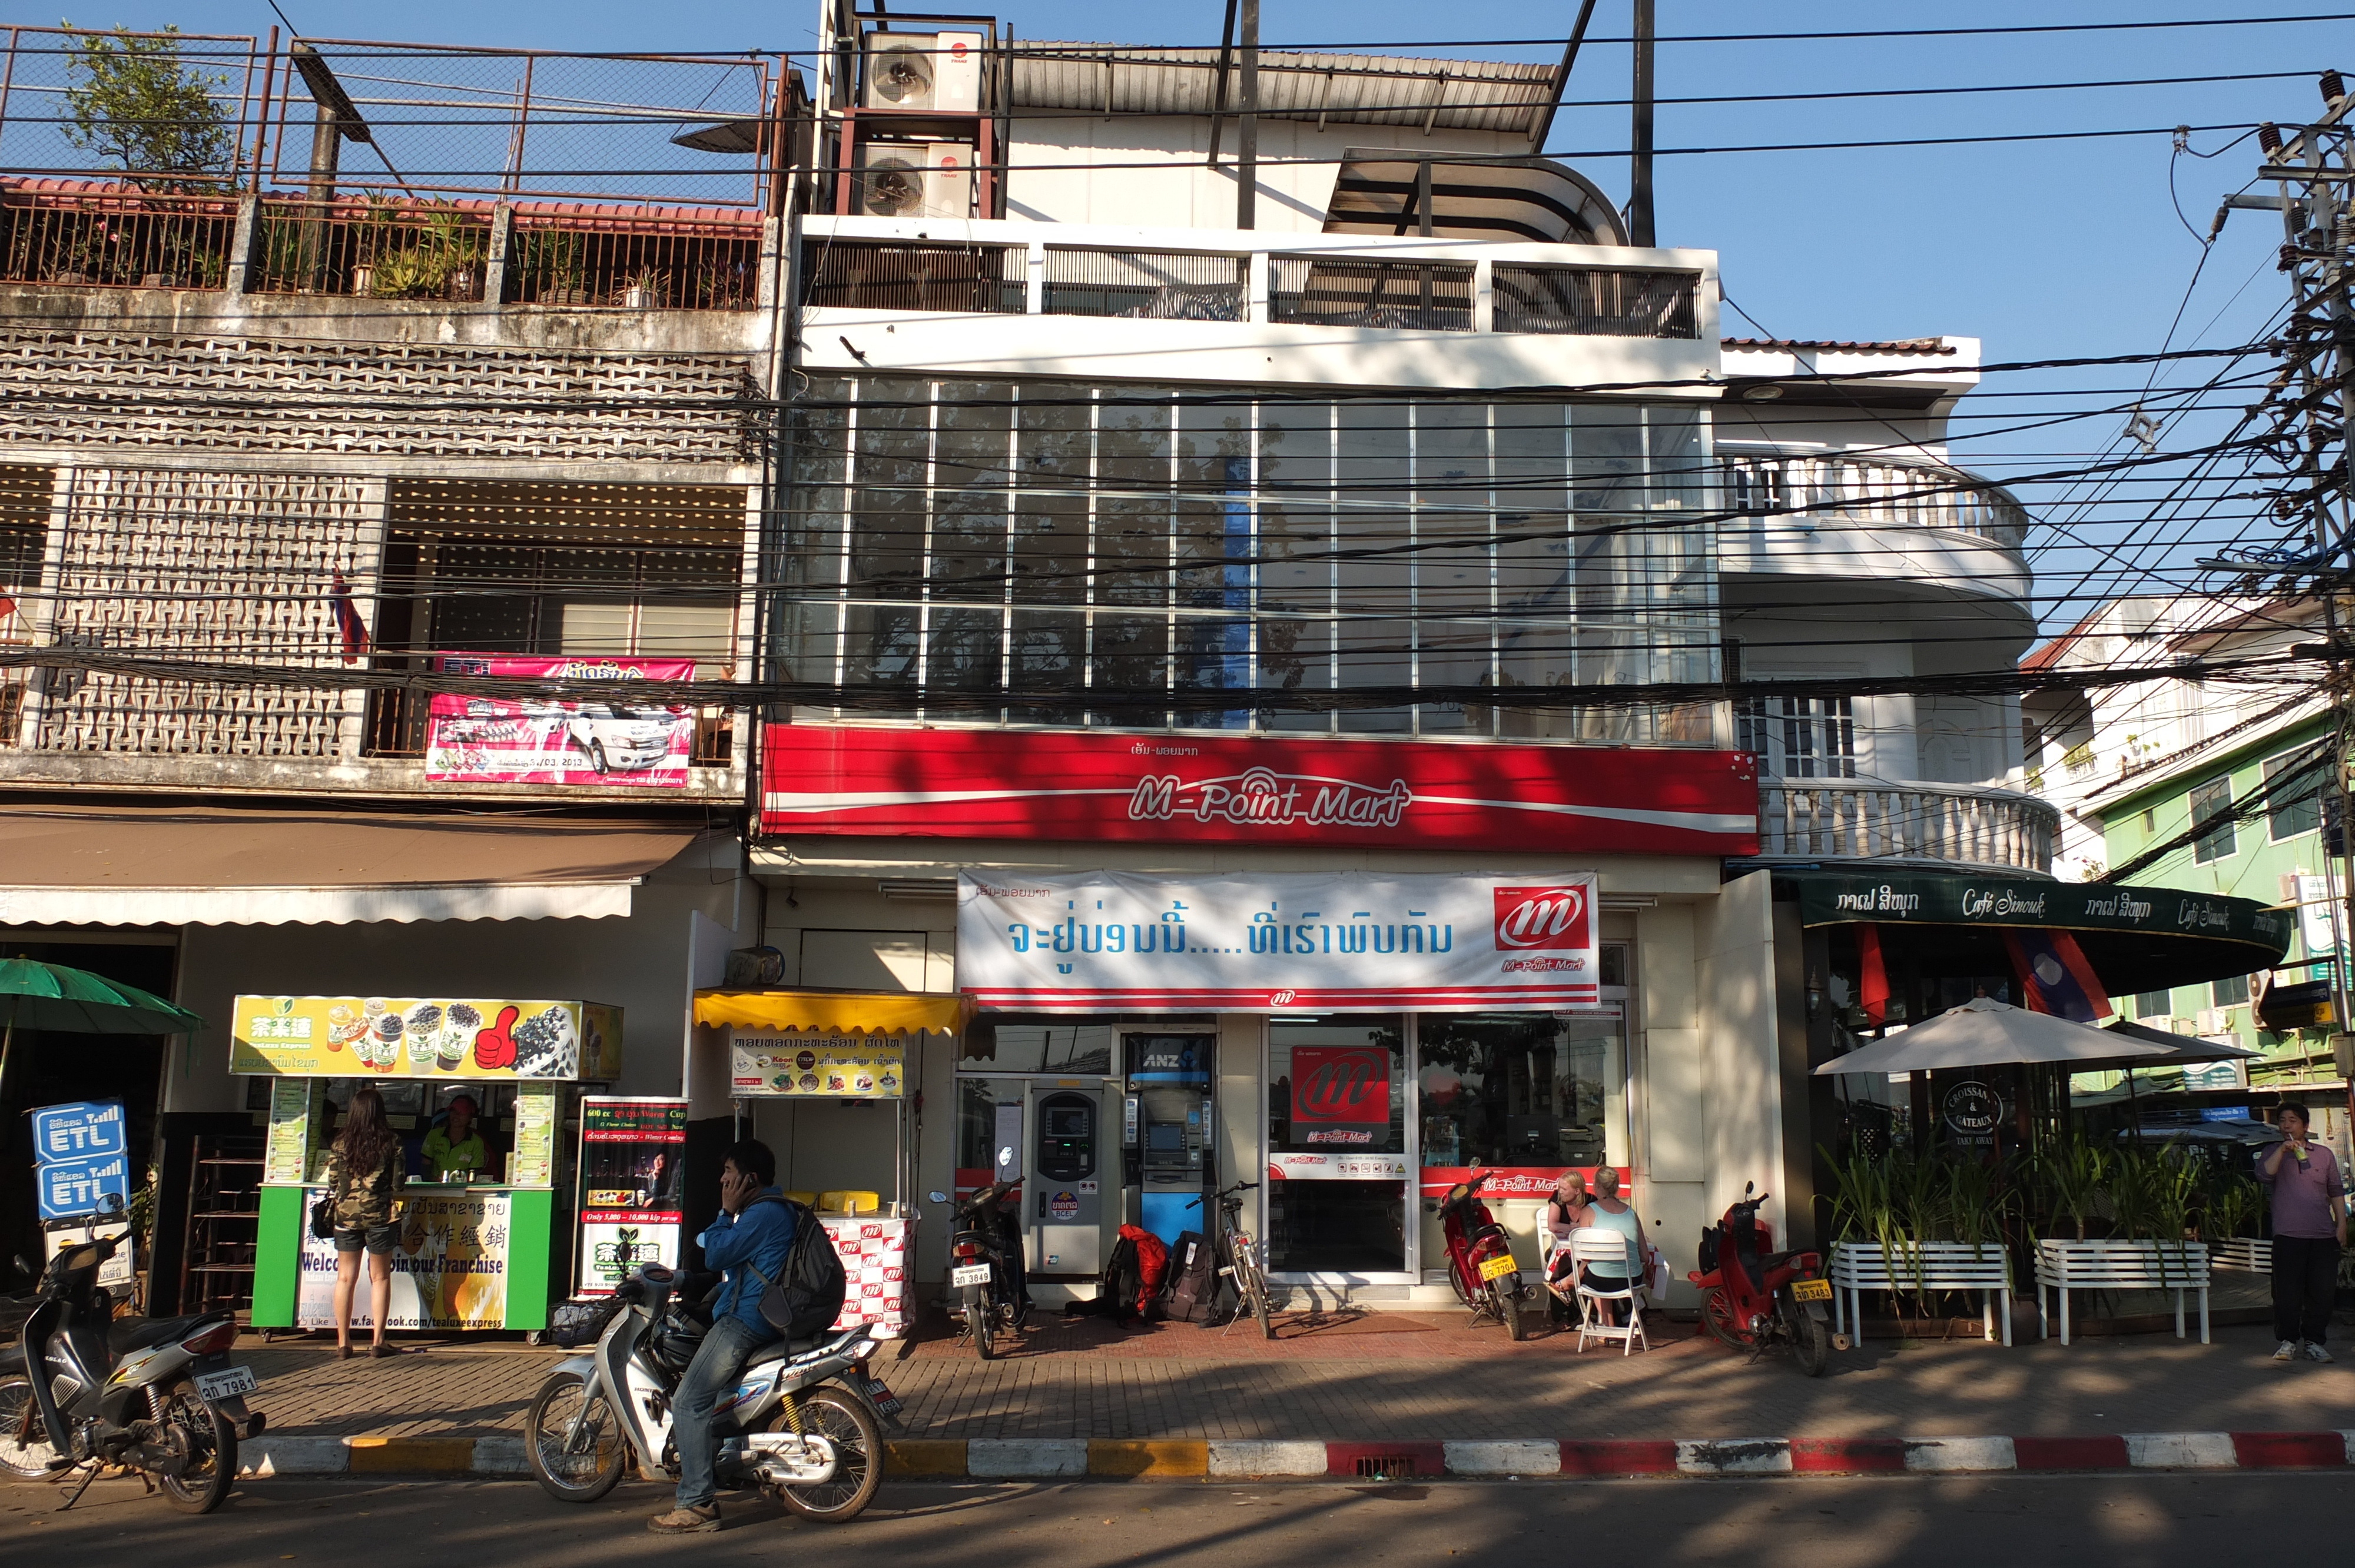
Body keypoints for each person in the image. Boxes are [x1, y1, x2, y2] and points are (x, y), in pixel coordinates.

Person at [648, 1139, 793, 1534]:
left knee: (689, 1402)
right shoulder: (768, 1212)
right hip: (746, 1314)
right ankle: (716, 1468)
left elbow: (716, 1255)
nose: (723, 1179)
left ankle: (696, 1503)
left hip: (743, 1321)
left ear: (751, 1179)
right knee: (710, 1402)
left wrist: (723, 1214)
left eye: (730, 1172)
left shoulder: (761, 1214)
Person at [2259, 1102, 2346, 1364]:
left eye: (2294, 1120)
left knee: (2322, 1292)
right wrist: (2283, 1151)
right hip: (2288, 1235)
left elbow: (2336, 1191)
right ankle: (2287, 1341)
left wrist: (2341, 1223)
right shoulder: (2271, 1152)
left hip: (2322, 1234)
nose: (2288, 1125)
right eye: (2283, 1120)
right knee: (2287, 1292)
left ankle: (2315, 1342)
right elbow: (2265, 1176)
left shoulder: (2323, 1154)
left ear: (2305, 1126)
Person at [327, 1084, 407, 1360]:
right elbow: (398, 1183)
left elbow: (333, 1182)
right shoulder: (392, 1142)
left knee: (345, 1278)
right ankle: (378, 1341)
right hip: (380, 1217)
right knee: (380, 1277)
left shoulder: (340, 1143)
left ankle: (343, 1342)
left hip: (346, 1217)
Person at [1575, 1167, 1648, 1327]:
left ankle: (1609, 1326)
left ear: (1598, 1186)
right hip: (1632, 1281)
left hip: (1602, 1280)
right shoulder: (1631, 1213)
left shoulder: (1588, 1212)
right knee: (1602, 1272)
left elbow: (1586, 1256)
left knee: (1595, 1272)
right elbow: (1645, 1256)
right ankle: (1625, 1320)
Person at [1540, 1171, 1593, 1325]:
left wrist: (1574, 1228)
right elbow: (1552, 1225)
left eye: (1564, 1188)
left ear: (1577, 1191)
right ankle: (1563, 1315)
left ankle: (1590, 1312)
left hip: (1584, 1250)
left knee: (1590, 1262)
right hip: (1561, 1249)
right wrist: (1574, 1227)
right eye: (1559, 1187)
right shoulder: (1557, 1199)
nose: (1560, 1191)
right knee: (1557, 1261)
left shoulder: (1591, 1202)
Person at [420, 1094, 486, 1181]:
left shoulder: (476, 1142)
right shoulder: (434, 1135)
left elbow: (475, 1173)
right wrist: (433, 1181)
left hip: (462, 1190)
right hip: (434, 1188)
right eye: (453, 1111)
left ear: (470, 1117)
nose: (456, 1116)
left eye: (462, 1112)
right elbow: (426, 1166)